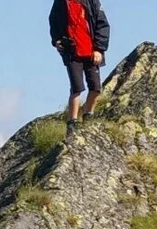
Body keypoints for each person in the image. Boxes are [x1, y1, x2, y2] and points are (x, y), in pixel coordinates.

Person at [49, 0, 111, 132]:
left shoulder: (92, 2)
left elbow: (103, 25)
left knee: (96, 87)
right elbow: (53, 20)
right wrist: (57, 41)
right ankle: (72, 122)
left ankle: (89, 115)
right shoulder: (60, 2)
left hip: (91, 52)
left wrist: (99, 49)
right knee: (76, 87)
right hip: (71, 51)